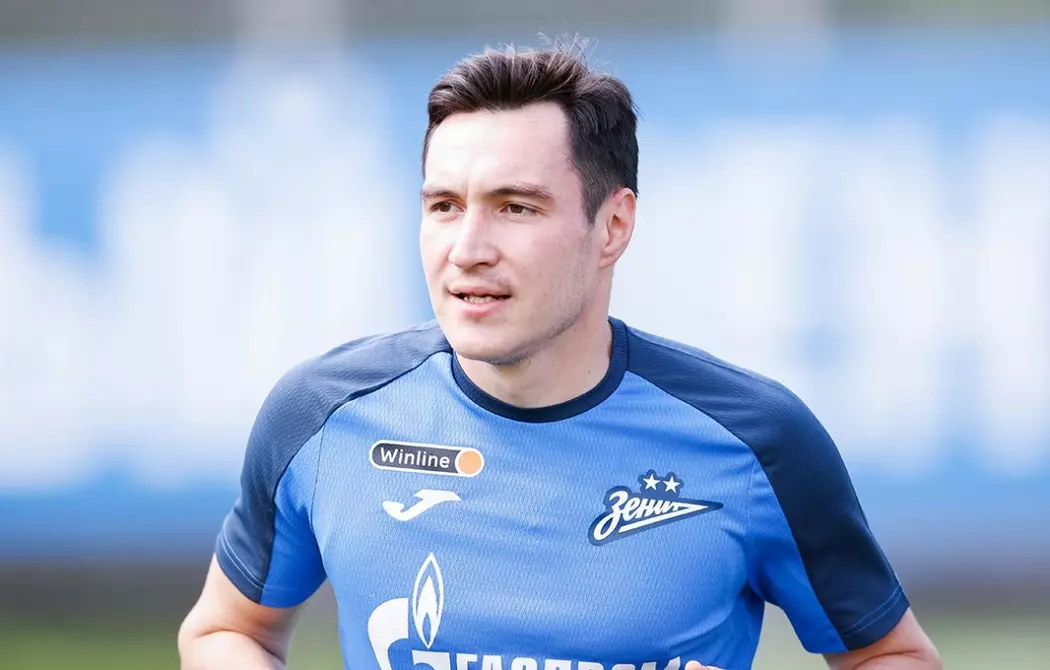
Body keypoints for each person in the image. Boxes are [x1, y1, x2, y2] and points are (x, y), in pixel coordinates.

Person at [178, 39, 942, 670]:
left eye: (515, 207)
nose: (467, 249)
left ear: (613, 227)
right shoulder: (321, 418)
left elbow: (890, 654)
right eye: (444, 206)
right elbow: (226, 630)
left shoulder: (756, 441)